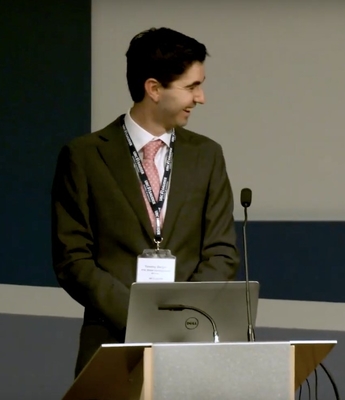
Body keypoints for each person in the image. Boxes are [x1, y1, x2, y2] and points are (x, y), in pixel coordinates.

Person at [51, 27, 240, 377]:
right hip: (111, 342)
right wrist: (141, 317)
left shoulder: (207, 155)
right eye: (191, 87)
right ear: (153, 89)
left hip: (192, 344)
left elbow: (221, 252)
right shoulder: (84, 156)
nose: (201, 98)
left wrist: (181, 319)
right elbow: (72, 258)